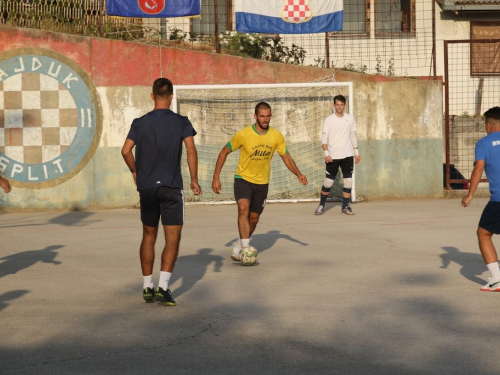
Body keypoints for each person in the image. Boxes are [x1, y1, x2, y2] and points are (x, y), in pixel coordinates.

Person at [121, 78, 202, 306]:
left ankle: (147, 287)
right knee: (172, 239)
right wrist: (194, 179)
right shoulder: (181, 122)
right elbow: (191, 149)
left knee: (149, 236)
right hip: (171, 187)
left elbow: (125, 150)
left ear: (152, 96)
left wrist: (135, 171)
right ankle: (163, 288)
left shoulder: (140, 122)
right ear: (172, 96)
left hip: (147, 188)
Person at [212, 102, 308, 261]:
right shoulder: (243, 134)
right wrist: (216, 177)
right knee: (243, 208)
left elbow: (286, 156)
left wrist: (298, 174)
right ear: (255, 116)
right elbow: (224, 152)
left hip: (262, 183)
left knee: (254, 219)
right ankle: (244, 249)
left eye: (268, 116)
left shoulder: (276, 135)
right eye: (262, 116)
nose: (265, 119)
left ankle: (240, 243)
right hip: (242, 178)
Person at [462, 106, 500, 292]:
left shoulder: (484, 143)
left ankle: (497, 279)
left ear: (488, 125)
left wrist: (470, 194)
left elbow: (478, 168)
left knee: (483, 234)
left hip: (499, 200)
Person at [315, 95, 360, 216]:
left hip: (348, 155)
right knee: (328, 182)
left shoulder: (350, 119)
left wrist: (356, 153)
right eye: (337, 104)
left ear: (344, 105)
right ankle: (321, 205)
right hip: (333, 157)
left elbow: (353, 135)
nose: (339, 107)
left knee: (348, 182)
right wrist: (326, 154)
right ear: (334, 105)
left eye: (342, 104)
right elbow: (324, 139)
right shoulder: (329, 120)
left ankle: (345, 207)